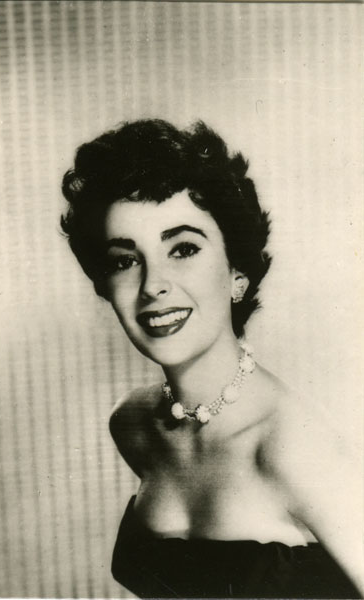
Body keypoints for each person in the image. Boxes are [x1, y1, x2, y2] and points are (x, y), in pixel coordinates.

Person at [61, 119, 362, 598]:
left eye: (183, 249)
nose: (153, 285)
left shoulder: (294, 447)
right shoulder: (133, 425)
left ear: (237, 272)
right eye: (124, 259)